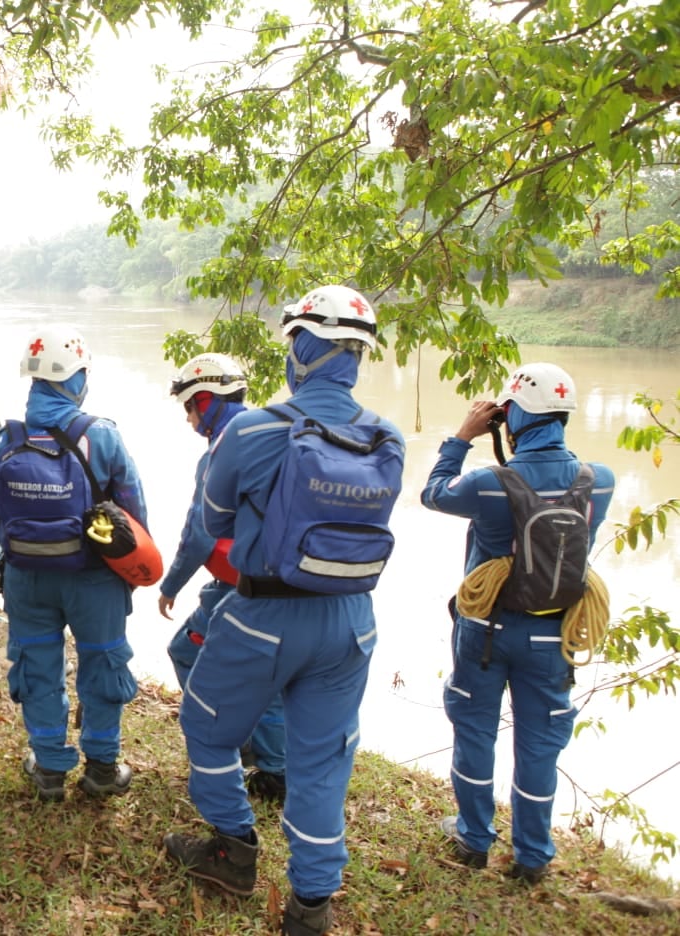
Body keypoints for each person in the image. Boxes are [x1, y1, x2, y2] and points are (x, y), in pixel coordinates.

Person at [163, 285, 402, 936]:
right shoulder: (387, 436)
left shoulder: (255, 427)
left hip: (263, 613)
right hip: (352, 620)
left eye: (293, 338)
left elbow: (210, 519)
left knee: (207, 728)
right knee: (321, 762)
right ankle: (311, 906)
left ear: (302, 347)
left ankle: (232, 852)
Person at [422, 363, 614, 885]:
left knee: (475, 729)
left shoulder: (488, 484)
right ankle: (532, 855)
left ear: (513, 417)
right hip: (555, 635)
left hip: (487, 632)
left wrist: (463, 436)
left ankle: (474, 838)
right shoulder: (599, 482)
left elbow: (433, 492)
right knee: (539, 744)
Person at [0, 326, 146, 801]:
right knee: (104, 663)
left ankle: (49, 768)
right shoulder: (103, 436)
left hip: (26, 578)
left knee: (37, 666)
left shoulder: (7, 441)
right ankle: (102, 770)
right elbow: (133, 512)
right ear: (77, 379)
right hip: (95, 579)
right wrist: (133, 574)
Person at [157, 353, 287, 803]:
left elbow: (199, 534)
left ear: (207, 400)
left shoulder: (221, 451)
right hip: (284, 584)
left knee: (185, 652)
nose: (190, 419)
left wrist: (170, 583)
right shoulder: (277, 434)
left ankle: (234, 748)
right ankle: (273, 767)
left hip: (238, 587)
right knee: (269, 676)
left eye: (190, 408)